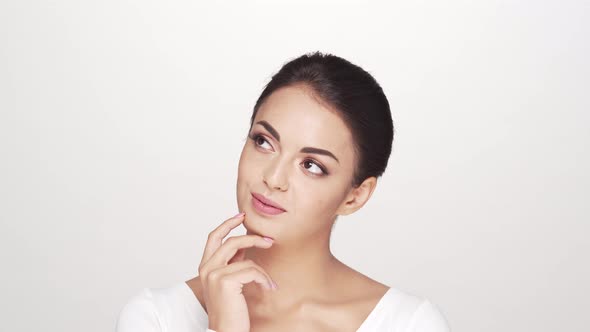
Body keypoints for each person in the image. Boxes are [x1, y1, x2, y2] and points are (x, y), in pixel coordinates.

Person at [115, 52, 451, 332]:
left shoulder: (408, 324)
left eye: (311, 165)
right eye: (264, 142)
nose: (274, 178)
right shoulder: (156, 318)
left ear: (355, 196)